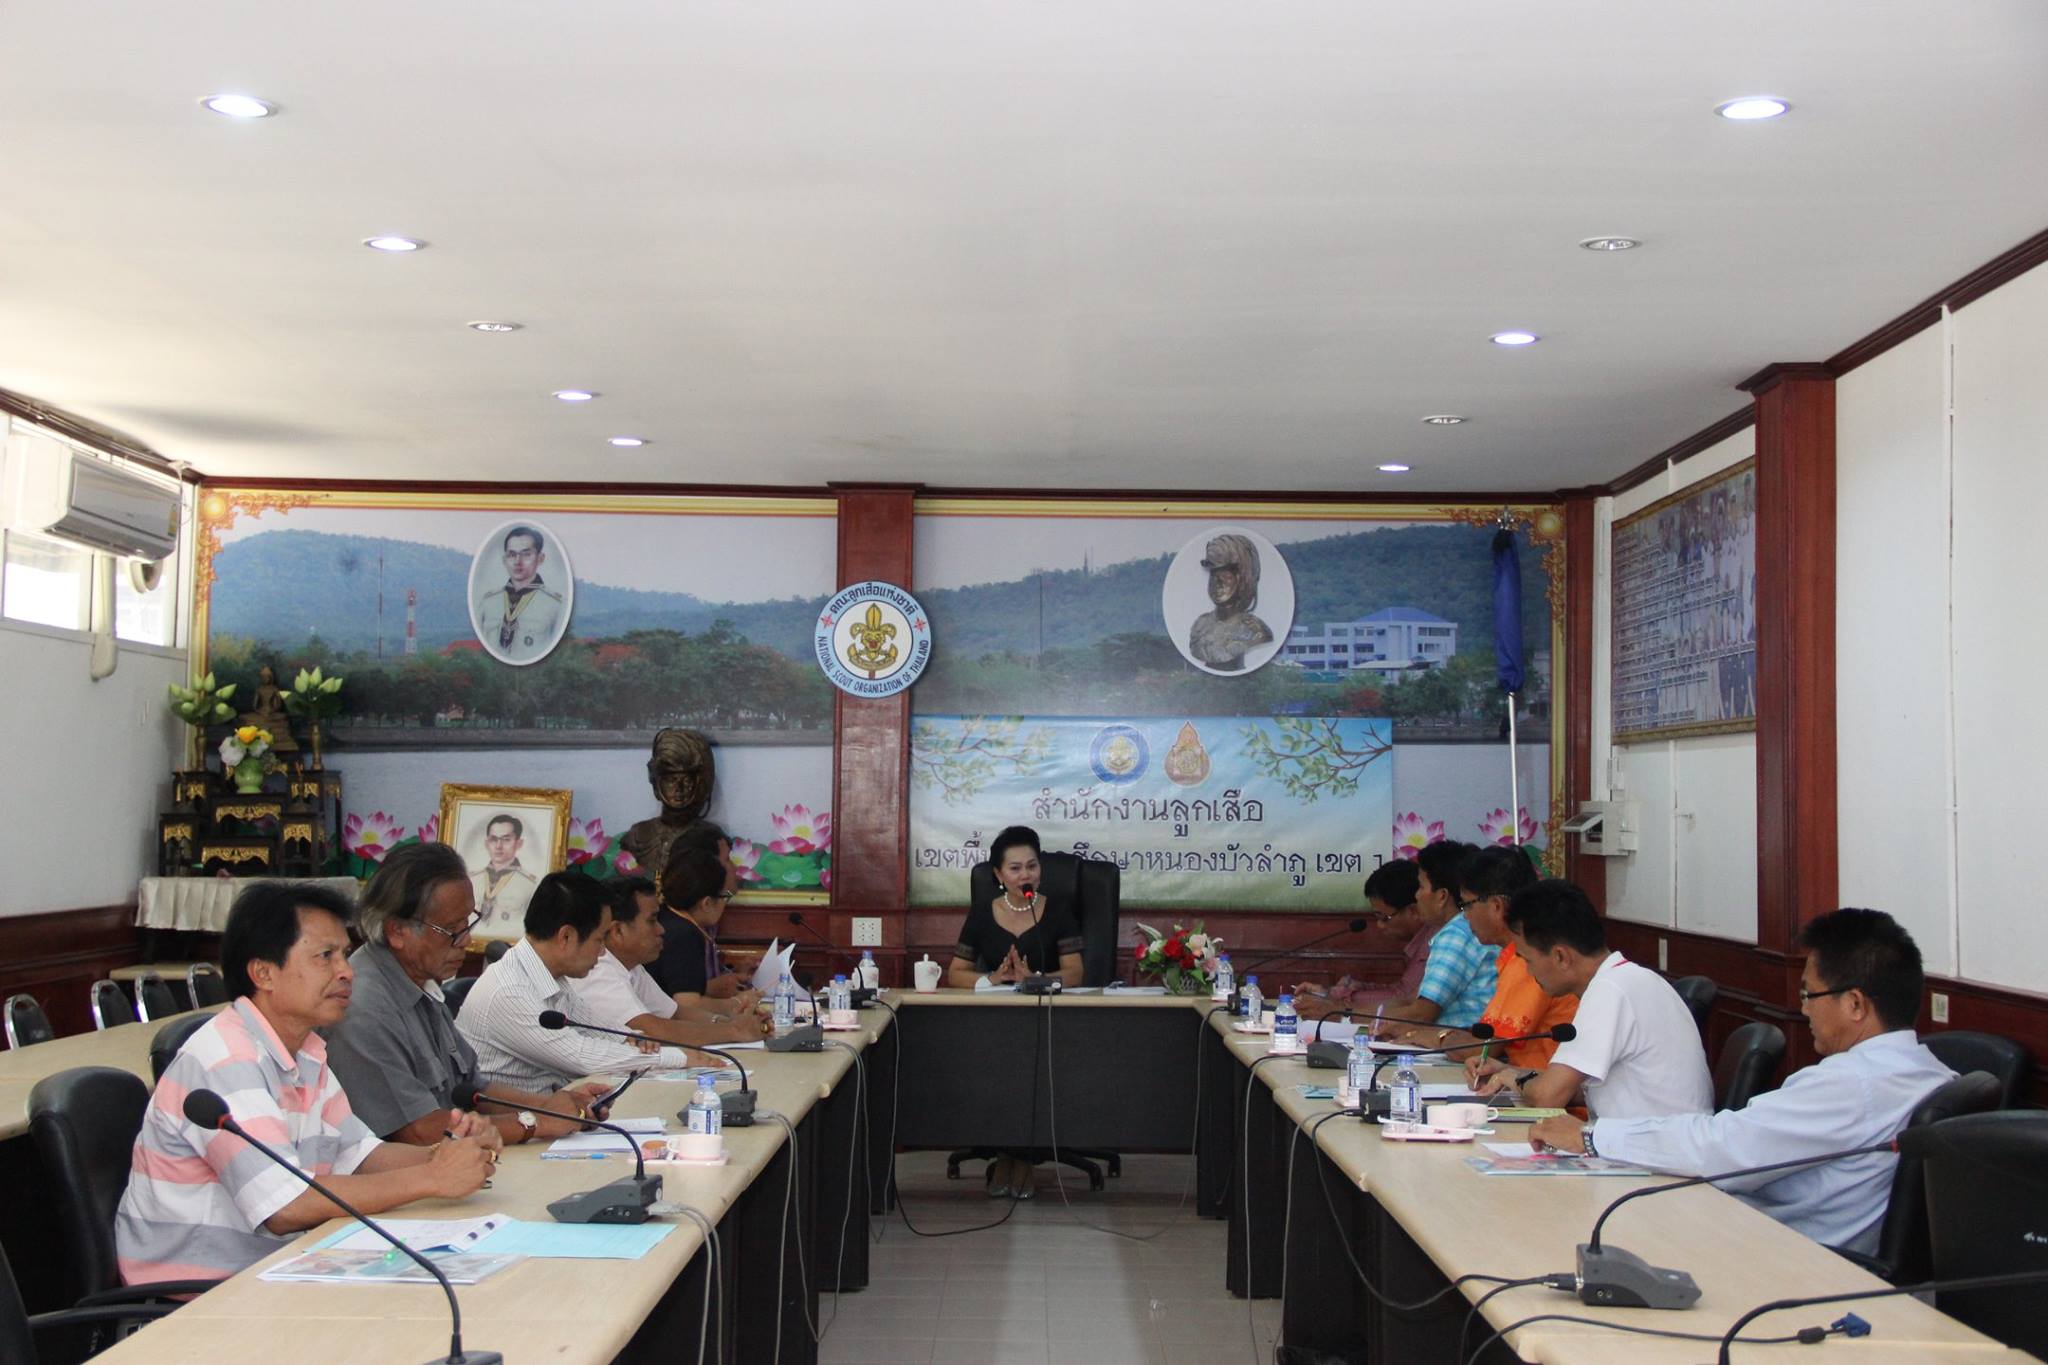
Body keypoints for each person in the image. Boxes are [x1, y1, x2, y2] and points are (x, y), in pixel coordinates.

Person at [115, 881, 495, 1286]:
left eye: (344, 954)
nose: (346, 971)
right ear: (264, 973)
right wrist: (433, 1177)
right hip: (199, 1295)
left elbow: (358, 1155)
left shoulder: (306, 1051)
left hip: (278, 1269)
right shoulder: (225, 1059)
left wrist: (450, 1152)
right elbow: (285, 1208)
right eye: (325, 956)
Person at [1528, 908, 1956, 1255]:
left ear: (1856, 1004)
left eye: (1809, 994)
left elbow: (1719, 1149)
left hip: (1784, 1256)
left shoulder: (1851, 1086)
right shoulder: (1934, 1073)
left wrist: (1591, 1137)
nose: (1804, 1009)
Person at [324, 842, 624, 1148]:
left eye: (469, 922)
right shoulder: (363, 1007)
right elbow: (419, 1130)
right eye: (451, 930)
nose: (466, 940)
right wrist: (538, 1122)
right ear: (397, 931)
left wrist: (555, 1106)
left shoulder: (419, 981)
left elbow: (474, 1091)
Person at [1471, 879, 1712, 1121]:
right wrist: (1509, 1072)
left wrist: (1513, 1077)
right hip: (1654, 1135)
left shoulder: (1610, 990)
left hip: (1657, 1142)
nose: (1528, 971)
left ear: (1561, 957)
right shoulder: (1629, 979)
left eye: (1528, 960)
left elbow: (1548, 1096)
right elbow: (1575, 1089)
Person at [456, 872, 698, 1092]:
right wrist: (678, 1058)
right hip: (510, 1120)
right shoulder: (508, 991)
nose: (603, 952)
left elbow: (599, 1029)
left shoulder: (551, 975)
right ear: (566, 936)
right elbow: (581, 1056)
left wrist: (633, 1039)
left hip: (553, 1107)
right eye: (599, 940)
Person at [1420, 846, 1577, 1069]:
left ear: (1496, 906)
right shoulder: (1513, 955)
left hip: (1549, 1085)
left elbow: (1485, 1047)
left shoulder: (1530, 960)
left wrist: (1438, 1037)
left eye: (1466, 905)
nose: (1465, 916)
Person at [580, 876, 773, 1045]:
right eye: (652, 921)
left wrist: (731, 1021)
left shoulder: (631, 966)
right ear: (618, 931)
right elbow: (653, 1030)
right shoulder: (598, 968)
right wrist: (734, 1031)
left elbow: (675, 1013)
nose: (661, 929)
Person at [1376, 842, 1496, 1043]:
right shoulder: (1461, 928)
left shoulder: (1457, 933)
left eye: (1421, 887)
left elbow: (1422, 1014)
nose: (1416, 895)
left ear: (1442, 896)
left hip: (1462, 1048)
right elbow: (1411, 1001)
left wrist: (1368, 1023)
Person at [947, 825, 1084, 990]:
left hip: (1047, 1002)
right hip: (998, 1002)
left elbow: (1075, 974)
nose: (1025, 875)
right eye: (1015, 868)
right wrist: (992, 978)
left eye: (1032, 866)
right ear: (999, 875)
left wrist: (1035, 980)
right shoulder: (981, 913)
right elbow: (955, 974)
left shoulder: (1059, 910)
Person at [1291, 860, 1427, 1020]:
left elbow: (1402, 999)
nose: (1380, 925)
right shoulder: (1421, 941)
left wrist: (1338, 999)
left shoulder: (1435, 942)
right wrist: (1330, 994)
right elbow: (1400, 991)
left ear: (1413, 911)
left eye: (1384, 917)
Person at [647, 825, 762, 1011]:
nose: (734, 868)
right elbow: (687, 1005)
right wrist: (741, 1002)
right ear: (706, 903)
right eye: (727, 860)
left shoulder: (673, 919)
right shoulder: (683, 933)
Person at [474, 523, 566, 663]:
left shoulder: (556, 605)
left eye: (526, 554)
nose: (518, 561)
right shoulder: (488, 602)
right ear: (504, 560)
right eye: (512, 555)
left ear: (540, 558)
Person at [1186, 533, 1274, 671]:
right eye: (1213, 575)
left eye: (1225, 575)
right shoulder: (1200, 625)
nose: (1217, 583)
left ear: (1243, 578)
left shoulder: (1255, 631)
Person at [471, 812, 539, 938]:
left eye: (506, 839)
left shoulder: (531, 885)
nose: (498, 846)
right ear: (486, 843)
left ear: (518, 843)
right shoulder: (471, 879)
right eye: (493, 839)